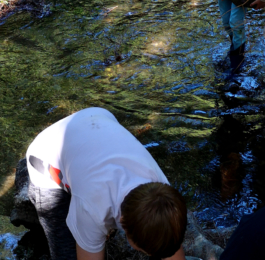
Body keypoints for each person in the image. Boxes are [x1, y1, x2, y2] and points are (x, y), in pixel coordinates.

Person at [25, 107, 187, 260]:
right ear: (122, 222)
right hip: (45, 156)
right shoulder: (92, 207)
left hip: (98, 118)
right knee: (66, 251)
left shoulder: (163, 192)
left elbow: (171, 246)